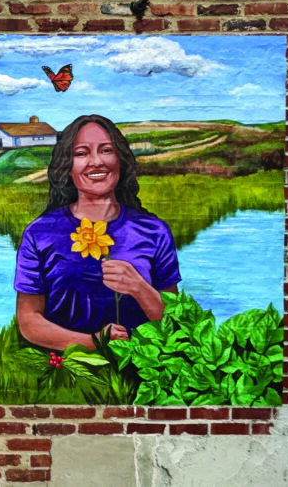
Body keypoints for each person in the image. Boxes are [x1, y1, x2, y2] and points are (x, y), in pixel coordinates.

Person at [14, 115, 181, 350]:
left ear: (120, 160)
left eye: (106, 150)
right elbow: (29, 322)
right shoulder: (39, 232)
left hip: (144, 370)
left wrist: (139, 287)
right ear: (68, 167)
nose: (96, 162)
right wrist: (93, 343)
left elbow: (175, 322)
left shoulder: (154, 231)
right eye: (81, 153)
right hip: (67, 370)